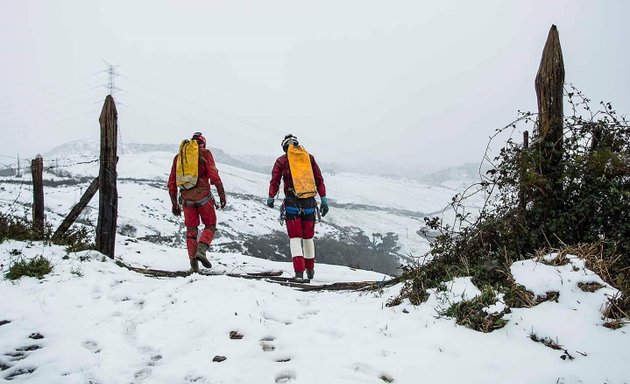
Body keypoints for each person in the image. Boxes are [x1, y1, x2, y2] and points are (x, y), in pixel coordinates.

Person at [267, 134, 329, 280]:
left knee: (295, 238)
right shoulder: (308, 157)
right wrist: (324, 199)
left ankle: (299, 273)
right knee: (308, 238)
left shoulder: (281, 160)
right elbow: (319, 179)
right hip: (309, 204)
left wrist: (271, 197)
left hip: (292, 205)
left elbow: (275, 181)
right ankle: (310, 270)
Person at [168, 132, 227, 272]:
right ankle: (201, 249)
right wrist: (222, 194)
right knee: (210, 225)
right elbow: (213, 175)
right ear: (203, 143)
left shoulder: (179, 157)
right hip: (203, 197)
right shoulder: (205, 153)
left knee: (191, 231)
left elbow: (171, 183)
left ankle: (194, 266)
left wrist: (174, 204)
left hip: (186, 199)